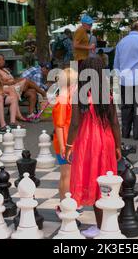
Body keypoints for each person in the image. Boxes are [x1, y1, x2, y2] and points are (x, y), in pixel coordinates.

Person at [64, 57, 122, 238]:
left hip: (88, 141)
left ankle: (100, 226)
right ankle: (106, 223)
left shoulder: (79, 94)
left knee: (92, 180)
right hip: (106, 140)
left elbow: (74, 124)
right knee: (105, 181)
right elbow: (115, 123)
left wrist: (68, 145)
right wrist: (118, 146)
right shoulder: (107, 94)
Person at [0, 54, 47, 118]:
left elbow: (12, 79)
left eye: (3, 59)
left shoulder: (5, 70)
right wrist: (12, 82)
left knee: (32, 91)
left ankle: (31, 114)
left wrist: (15, 81)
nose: (2, 61)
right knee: (26, 81)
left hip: (15, 88)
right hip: (8, 90)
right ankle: (43, 93)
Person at [52, 68, 78, 202]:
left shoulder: (67, 98)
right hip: (64, 143)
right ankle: (65, 204)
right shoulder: (62, 100)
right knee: (66, 175)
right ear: (72, 84)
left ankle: (65, 202)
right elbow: (59, 125)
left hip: (68, 142)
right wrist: (63, 146)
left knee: (67, 174)